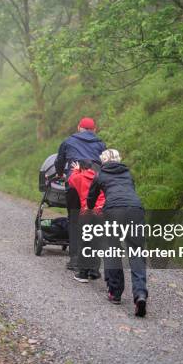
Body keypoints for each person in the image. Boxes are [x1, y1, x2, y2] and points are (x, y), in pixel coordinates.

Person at [87, 149, 148, 317]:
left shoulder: (100, 175)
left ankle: (115, 293)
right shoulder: (127, 173)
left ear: (103, 162)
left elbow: (91, 199)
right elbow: (131, 192)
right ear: (119, 160)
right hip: (135, 210)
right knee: (136, 253)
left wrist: (91, 208)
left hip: (113, 211)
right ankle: (140, 294)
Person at [55, 117, 106, 271]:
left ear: (79, 128)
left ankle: (75, 260)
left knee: (74, 220)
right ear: (94, 130)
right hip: (94, 185)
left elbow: (59, 161)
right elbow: (105, 164)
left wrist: (59, 174)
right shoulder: (101, 144)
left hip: (74, 182)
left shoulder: (68, 141)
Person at [67, 160, 105, 283]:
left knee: (85, 241)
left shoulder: (80, 177)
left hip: (87, 212)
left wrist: (76, 170)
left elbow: (71, 181)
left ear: (82, 168)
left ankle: (83, 273)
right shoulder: (100, 177)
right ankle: (94, 270)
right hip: (101, 211)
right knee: (97, 240)